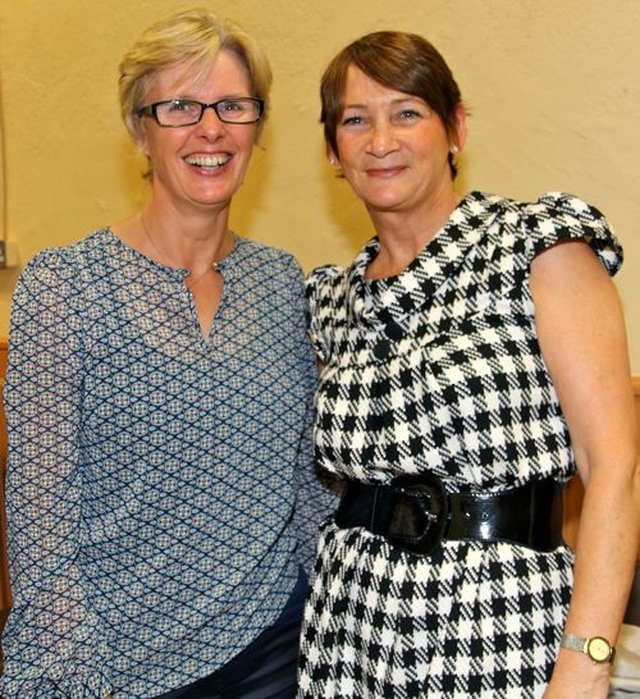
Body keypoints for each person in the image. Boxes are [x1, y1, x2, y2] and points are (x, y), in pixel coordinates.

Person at [0, 8, 333, 699]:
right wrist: (78, 678)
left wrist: (336, 627)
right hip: (112, 669)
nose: (210, 129)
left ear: (257, 128)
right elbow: (40, 524)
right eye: (180, 105)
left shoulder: (281, 283)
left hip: (272, 648)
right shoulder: (65, 287)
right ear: (139, 131)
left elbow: (307, 489)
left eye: (233, 106)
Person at [297, 30, 640, 698]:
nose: (380, 140)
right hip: (351, 627)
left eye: (407, 113)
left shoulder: (534, 249)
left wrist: (586, 660)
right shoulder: (329, 301)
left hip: (499, 622)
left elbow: (615, 469)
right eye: (355, 121)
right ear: (332, 152)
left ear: (454, 128)